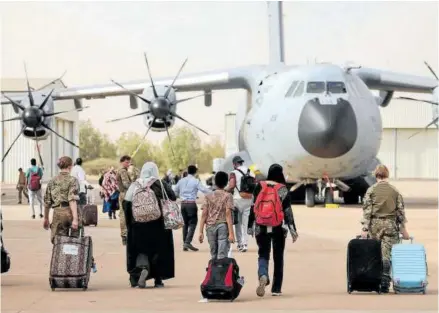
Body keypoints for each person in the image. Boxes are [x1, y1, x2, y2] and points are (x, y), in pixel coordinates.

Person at [123, 162, 176, 288]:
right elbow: (173, 197)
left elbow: (126, 204)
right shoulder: (160, 184)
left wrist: (130, 223)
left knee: (139, 250)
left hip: (138, 224)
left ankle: (141, 270)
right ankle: (158, 279)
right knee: (159, 250)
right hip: (158, 224)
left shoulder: (135, 185)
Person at [248, 163, 298, 297]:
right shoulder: (282, 189)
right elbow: (288, 211)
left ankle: (263, 274)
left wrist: (249, 226)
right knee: (278, 257)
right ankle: (276, 289)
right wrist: (293, 229)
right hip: (278, 227)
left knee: (263, 254)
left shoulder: (260, 185)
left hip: (260, 226)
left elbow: (253, 206)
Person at [360, 164, 410, 293]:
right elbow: (400, 212)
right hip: (390, 225)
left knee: (375, 254)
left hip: (374, 225)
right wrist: (403, 229)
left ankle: (374, 280)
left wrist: (365, 229)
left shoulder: (371, 190)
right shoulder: (394, 191)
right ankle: (385, 282)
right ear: (387, 175)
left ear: (375, 175)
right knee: (386, 255)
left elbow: (367, 211)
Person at [174, 165, 212, 252]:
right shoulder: (196, 181)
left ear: (187, 171)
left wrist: (181, 195)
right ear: (195, 172)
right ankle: (187, 242)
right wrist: (214, 192)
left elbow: (175, 191)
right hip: (191, 204)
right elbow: (204, 190)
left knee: (185, 224)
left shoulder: (181, 181)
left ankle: (185, 244)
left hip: (183, 205)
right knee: (193, 223)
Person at [43, 156, 80, 244]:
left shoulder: (52, 181)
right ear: (70, 166)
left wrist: (46, 218)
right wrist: (75, 219)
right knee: (74, 243)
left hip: (58, 213)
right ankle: (71, 258)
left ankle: (60, 257)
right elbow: (72, 200)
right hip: (69, 212)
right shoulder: (73, 180)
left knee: (58, 242)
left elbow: (47, 202)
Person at [199, 171, 235, 260]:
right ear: (226, 182)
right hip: (222, 225)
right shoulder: (228, 195)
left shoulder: (208, 196)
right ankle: (221, 272)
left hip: (209, 227)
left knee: (213, 254)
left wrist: (200, 231)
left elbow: (204, 214)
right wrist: (231, 233)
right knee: (222, 255)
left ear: (215, 182)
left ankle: (213, 272)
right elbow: (228, 213)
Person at [226, 156, 255, 252]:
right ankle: (245, 244)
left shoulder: (233, 173)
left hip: (237, 200)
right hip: (248, 199)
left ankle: (240, 244)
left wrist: (225, 190)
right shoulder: (251, 171)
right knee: (245, 223)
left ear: (234, 164)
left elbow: (231, 186)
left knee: (238, 223)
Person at [117, 155, 135, 246]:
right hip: (125, 194)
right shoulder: (123, 171)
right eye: (127, 162)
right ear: (122, 162)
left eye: (129, 162)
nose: (128, 164)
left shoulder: (121, 170)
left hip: (122, 194)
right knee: (125, 215)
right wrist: (134, 185)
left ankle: (125, 236)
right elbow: (126, 184)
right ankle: (125, 236)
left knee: (123, 214)